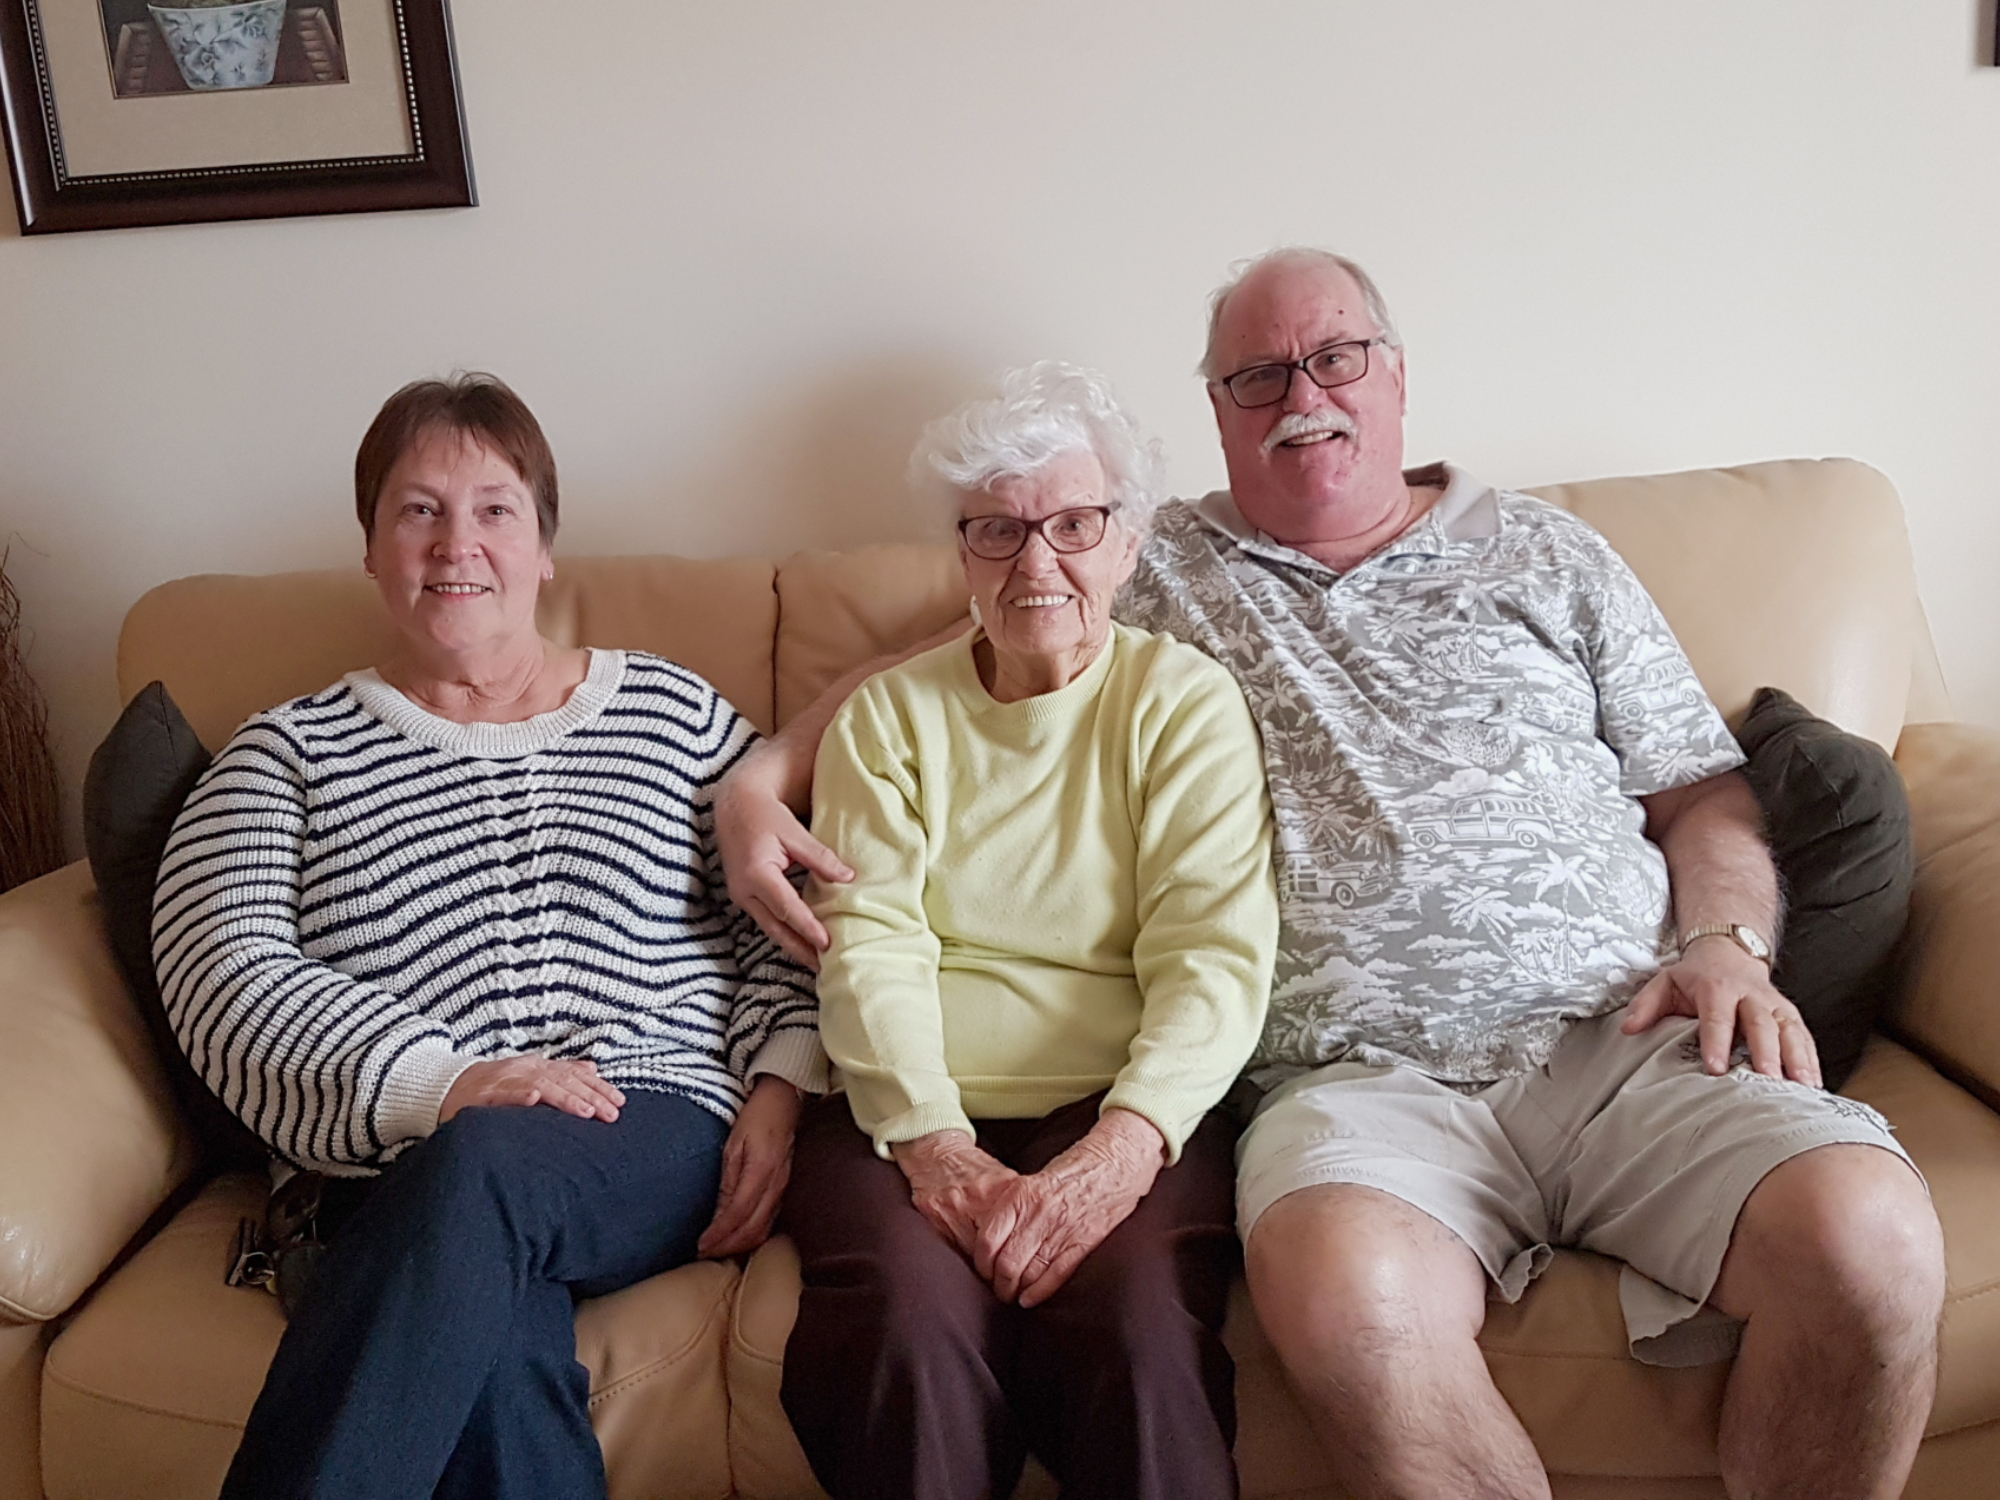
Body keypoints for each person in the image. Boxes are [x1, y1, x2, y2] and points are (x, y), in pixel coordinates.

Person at [719, 253, 1947, 1500]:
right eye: (1256, 375)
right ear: (1216, 411)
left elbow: (1699, 792)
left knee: (1873, 1242)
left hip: (1620, 1027)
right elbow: (981, 638)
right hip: (1355, 1084)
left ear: (1395, 376)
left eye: (1333, 357)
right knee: (1346, 1305)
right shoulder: (1158, 558)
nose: (1299, 394)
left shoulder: (1548, 552)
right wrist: (759, 781)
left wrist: (1725, 945)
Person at [153, 373, 822, 1500]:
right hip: (394, 1149)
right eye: (417, 510)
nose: (456, 542)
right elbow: (224, 974)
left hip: (642, 1118)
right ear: (369, 548)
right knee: (495, 1364)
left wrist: (780, 1087)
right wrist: (448, 1082)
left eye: (495, 509)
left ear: (546, 547)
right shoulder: (284, 754)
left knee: (484, 1171)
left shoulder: (673, 714)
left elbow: (781, 923)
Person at [777, 363, 1278, 1500]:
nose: (1035, 562)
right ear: (961, 552)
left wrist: (1117, 1152)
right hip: (899, 1112)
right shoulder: (887, 721)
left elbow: (1212, 952)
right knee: (906, 1333)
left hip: (1125, 1108)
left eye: (1070, 523)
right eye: (996, 530)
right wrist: (933, 1146)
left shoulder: (1180, 703)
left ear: (1126, 541)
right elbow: (871, 946)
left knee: (1144, 1338)